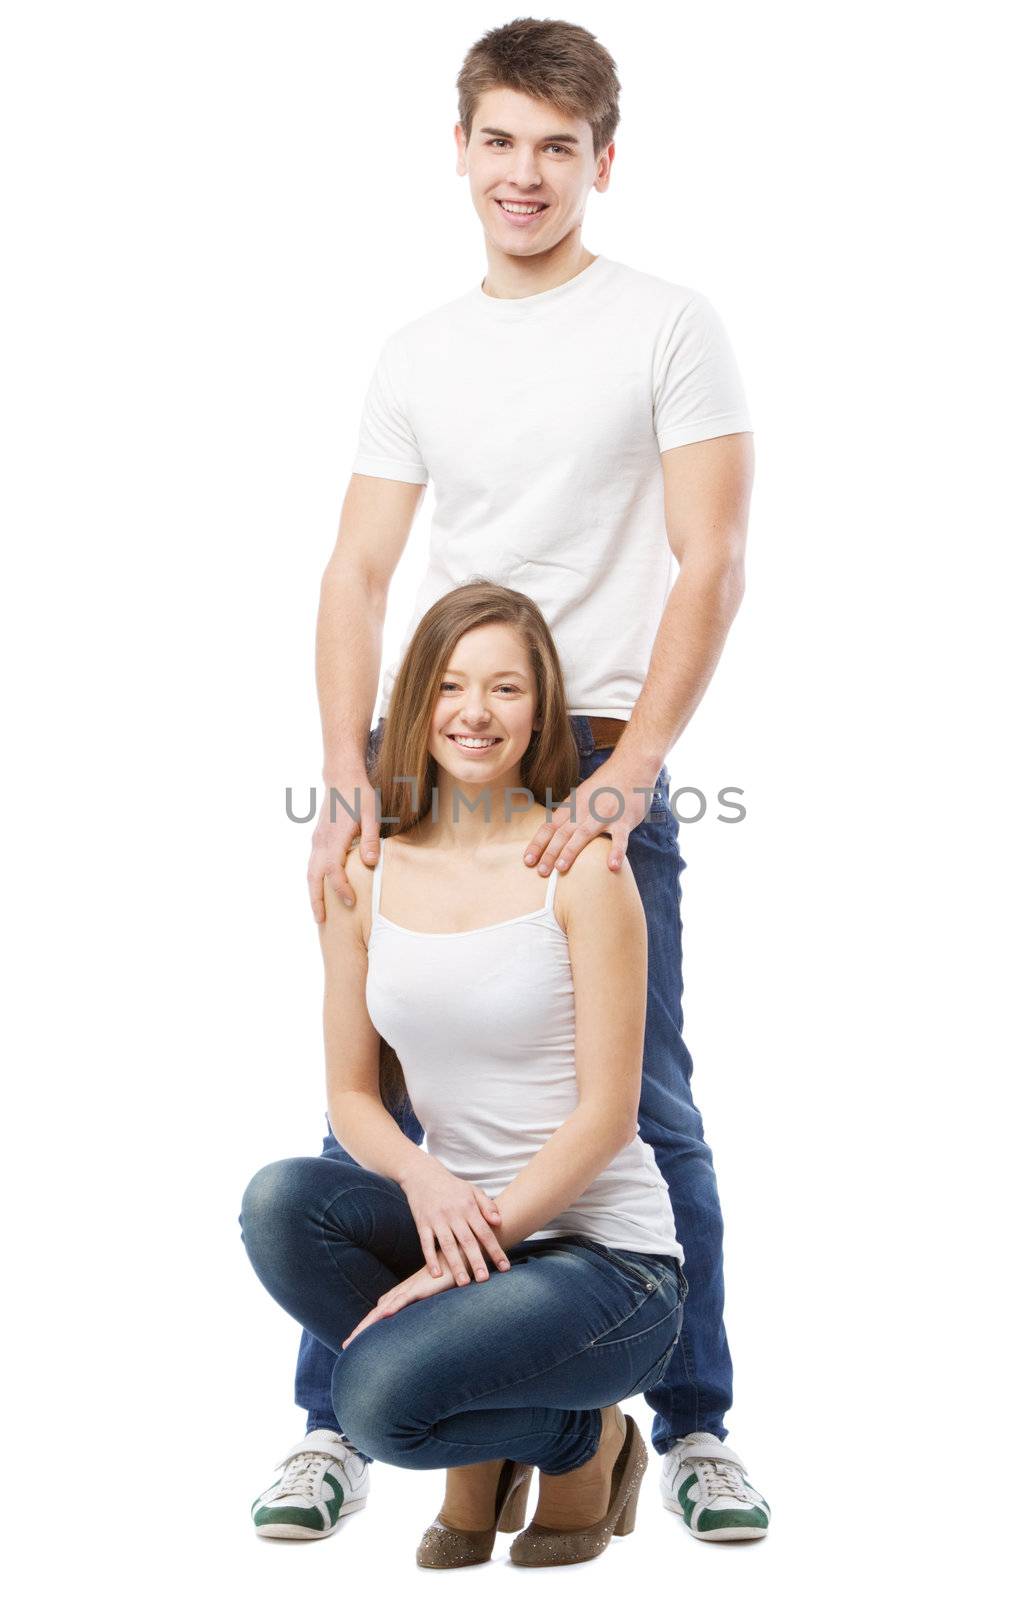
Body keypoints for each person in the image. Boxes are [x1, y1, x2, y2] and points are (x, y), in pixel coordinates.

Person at [250, 15, 769, 1545]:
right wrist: (346, 771)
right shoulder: (417, 352)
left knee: (642, 1099)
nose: (524, 173)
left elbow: (711, 556)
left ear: (601, 161)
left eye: (557, 145)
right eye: (499, 141)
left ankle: (688, 1424)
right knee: (389, 1089)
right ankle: (333, 1417)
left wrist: (635, 771)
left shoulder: (666, 324)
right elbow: (355, 572)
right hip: (444, 735)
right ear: (460, 151)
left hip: (593, 741)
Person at [242, 586, 689, 1568]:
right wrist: (425, 1181)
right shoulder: (362, 873)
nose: (474, 710)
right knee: (281, 1202)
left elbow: (612, 1117)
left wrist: (458, 1256)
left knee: (376, 1400)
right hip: (476, 1236)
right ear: (413, 704)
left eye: (505, 687)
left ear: (539, 711)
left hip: (606, 1264)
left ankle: (592, 1439)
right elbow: (355, 1098)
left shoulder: (584, 868)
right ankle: (538, 1431)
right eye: (448, 684)